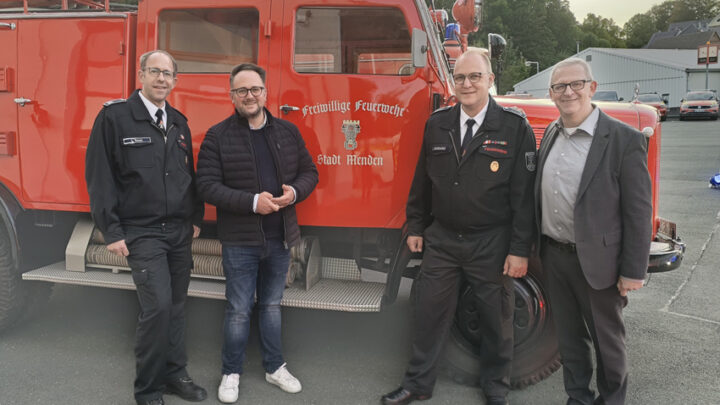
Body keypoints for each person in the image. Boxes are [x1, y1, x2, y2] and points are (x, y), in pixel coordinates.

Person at [381, 48, 537, 405]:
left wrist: (518, 250)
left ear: (490, 81)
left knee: (496, 321)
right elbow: (422, 181)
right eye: (461, 78)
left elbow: (524, 198)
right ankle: (418, 384)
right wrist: (417, 227)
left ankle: (496, 389)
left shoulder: (514, 127)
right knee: (428, 314)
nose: (467, 84)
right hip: (444, 239)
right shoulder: (438, 123)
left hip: (491, 242)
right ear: (453, 83)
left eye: (475, 77)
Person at [85, 50, 206, 405]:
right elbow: (99, 176)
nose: (162, 79)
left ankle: (175, 374)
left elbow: (188, 176)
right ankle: (148, 389)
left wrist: (196, 217)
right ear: (141, 74)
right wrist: (113, 230)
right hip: (142, 231)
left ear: (175, 81)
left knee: (178, 305)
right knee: (158, 308)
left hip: (179, 232)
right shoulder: (115, 117)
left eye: (168, 74)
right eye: (155, 71)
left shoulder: (179, 122)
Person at [195, 63, 318, 404]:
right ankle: (230, 372)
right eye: (242, 91)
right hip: (239, 240)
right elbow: (206, 186)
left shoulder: (288, 132)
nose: (249, 96)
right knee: (237, 309)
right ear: (231, 95)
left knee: (272, 306)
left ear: (266, 92)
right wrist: (252, 203)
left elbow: (310, 171)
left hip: (280, 238)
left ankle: (274, 367)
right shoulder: (218, 136)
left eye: (255, 89)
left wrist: (294, 193)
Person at [535, 58, 652, 405]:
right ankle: (578, 398)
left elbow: (638, 212)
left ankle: (612, 400)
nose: (568, 92)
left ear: (592, 87)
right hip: (555, 256)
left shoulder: (623, 140)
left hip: (599, 262)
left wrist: (633, 270)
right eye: (559, 87)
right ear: (551, 94)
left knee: (607, 343)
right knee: (569, 340)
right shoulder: (552, 133)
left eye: (576, 84)